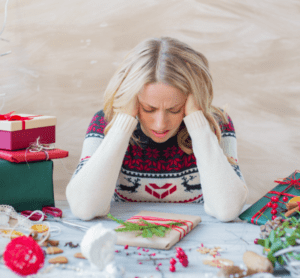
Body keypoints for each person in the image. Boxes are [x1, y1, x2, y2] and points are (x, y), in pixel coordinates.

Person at [66, 37, 249, 222]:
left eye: (174, 109)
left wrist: (197, 121)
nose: (160, 124)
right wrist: (123, 122)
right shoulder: (104, 123)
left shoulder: (217, 124)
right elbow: (84, 207)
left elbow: (227, 209)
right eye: (149, 109)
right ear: (134, 99)